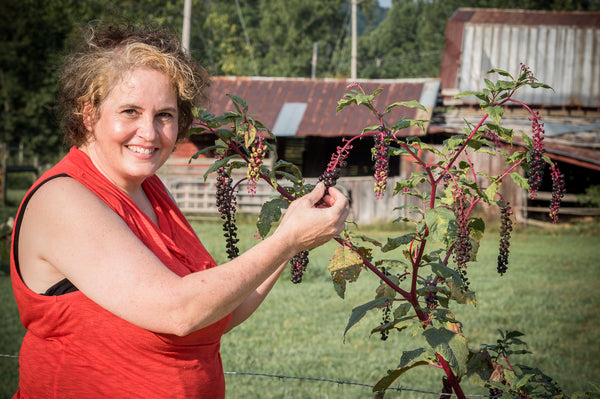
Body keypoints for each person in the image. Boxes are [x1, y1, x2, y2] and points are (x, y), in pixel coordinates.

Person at [10, 24, 349, 399]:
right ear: (89, 114)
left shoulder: (150, 192)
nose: (150, 132)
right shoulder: (63, 198)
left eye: (164, 116)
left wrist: (290, 236)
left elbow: (217, 314)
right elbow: (179, 311)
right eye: (130, 111)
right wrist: (287, 241)